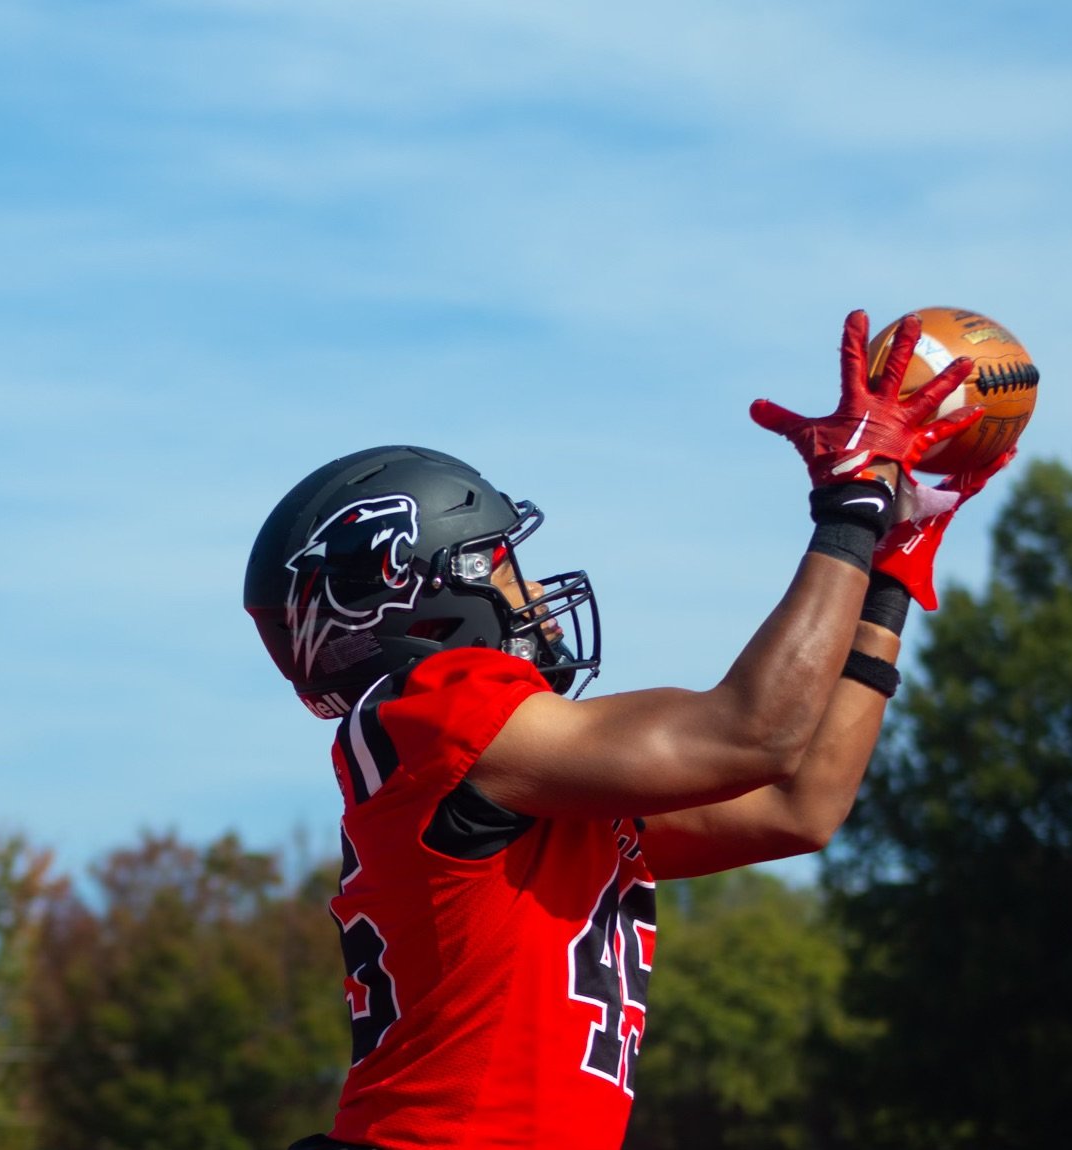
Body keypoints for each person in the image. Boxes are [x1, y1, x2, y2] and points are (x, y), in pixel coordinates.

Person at [242, 311, 1012, 1150]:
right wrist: (851, 506)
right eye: (507, 567)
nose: (533, 597)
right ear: (421, 585)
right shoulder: (440, 704)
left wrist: (887, 582)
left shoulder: (506, 779)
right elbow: (753, 732)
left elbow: (800, 802)